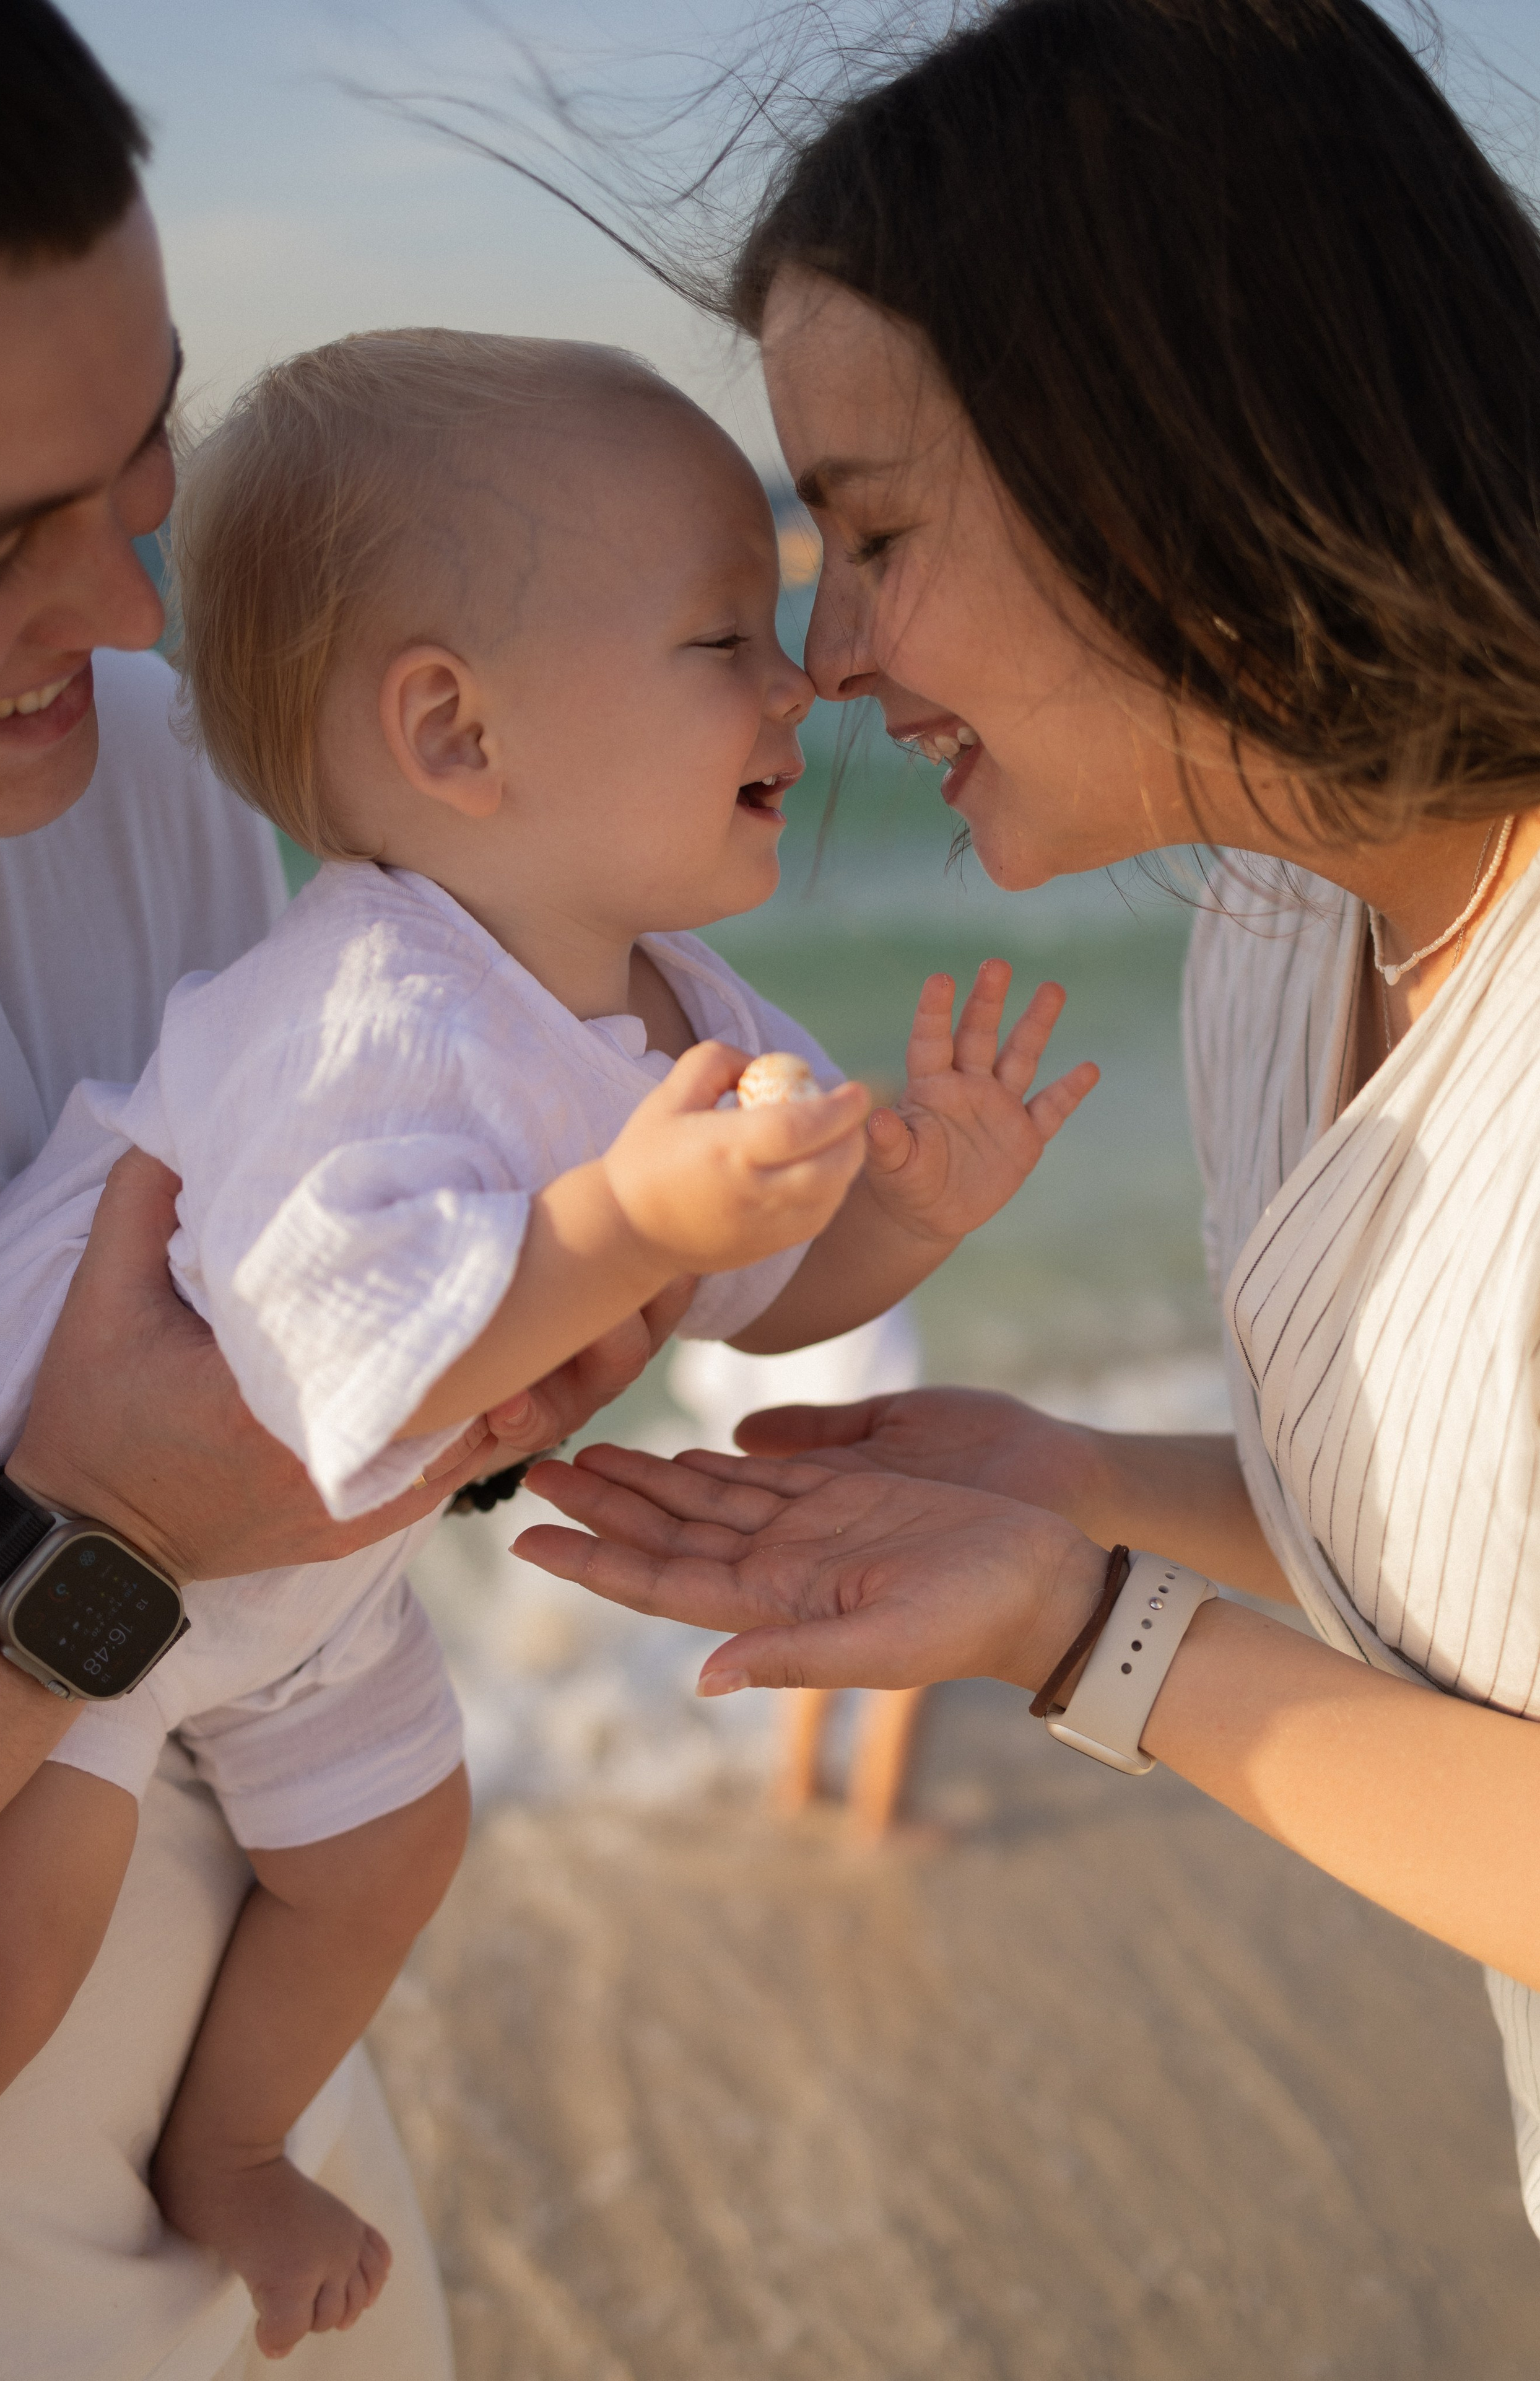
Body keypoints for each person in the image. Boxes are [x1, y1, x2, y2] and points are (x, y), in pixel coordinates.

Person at [0, 322, 1097, 2357]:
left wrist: (908, 1204)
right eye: (718, 635)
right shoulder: (368, 1004)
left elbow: (757, 1294)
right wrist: (614, 1227)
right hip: (74, 1503)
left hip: (285, 1566)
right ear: (457, 737)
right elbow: (338, 1360)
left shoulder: (674, 994)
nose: (802, 678)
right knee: (8, 1966)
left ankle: (226, 2149)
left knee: (399, 1843)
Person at [511, 0, 1540, 2238]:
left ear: (1166, 444)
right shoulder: (1288, 923)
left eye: (868, 531)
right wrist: (1083, 1480)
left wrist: (1088, 1629)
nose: (831, 655)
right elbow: (1485, 1548)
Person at [0, 7, 667, 2374]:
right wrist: (80, 1542)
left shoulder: (126, 761)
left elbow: (279, 1383)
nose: (145, 613)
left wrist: (453, 1405)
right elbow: (142, 1513)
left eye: (140, 449)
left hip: (279, 2252)